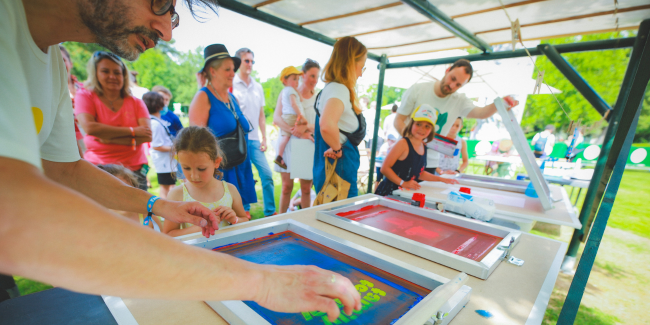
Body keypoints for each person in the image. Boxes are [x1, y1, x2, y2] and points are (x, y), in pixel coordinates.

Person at [0, 0, 360, 320]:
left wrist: (157, 204)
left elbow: (66, 170)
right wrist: (261, 282)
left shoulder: (49, 63)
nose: (167, 31)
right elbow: (15, 211)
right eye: (160, 4)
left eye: (172, 14)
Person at [394, 59, 519, 175]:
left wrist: (500, 103)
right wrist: (414, 143)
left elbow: (481, 113)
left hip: (430, 163)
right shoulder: (418, 89)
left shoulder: (459, 100)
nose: (452, 86)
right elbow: (398, 121)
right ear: (447, 70)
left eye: (458, 85)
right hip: (404, 156)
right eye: (452, 79)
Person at [189, 44, 257, 219]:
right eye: (227, 69)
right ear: (213, 71)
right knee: (222, 220)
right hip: (221, 172)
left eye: (233, 69)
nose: (232, 73)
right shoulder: (203, 97)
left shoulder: (232, 98)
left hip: (240, 166)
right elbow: (195, 144)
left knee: (242, 217)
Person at [75, 51, 152, 190]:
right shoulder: (86, 95)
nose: (112, 76)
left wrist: (107, 138)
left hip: (134, 170)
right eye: (105, 71)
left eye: (117, 72)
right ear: (95, 74)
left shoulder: (136, 102)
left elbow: (147, 135)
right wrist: (133, 131)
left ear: (124, 75)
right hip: (99, 168)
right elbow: (90, 128)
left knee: (137, 211)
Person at [164, 126, 248, 237]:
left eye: (201, 169)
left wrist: (234, 219)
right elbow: (168, 234)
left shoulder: (230, 190)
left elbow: (245, 221)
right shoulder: (177, 195)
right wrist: (199, 226)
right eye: (186, 168)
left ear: (216, 162)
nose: (194, 176)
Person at [314, 37, 368, 199]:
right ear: (351, 63)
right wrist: (337, 148)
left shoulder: (331, 89)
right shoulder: (339, 89)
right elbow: (326, 125)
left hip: (336, 171)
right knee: (340, 219)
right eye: (361, 67)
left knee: (331, 218)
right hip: (339, 171)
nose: (360, 74)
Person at [375, 105, 459, 196]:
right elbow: (384, 168)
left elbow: (419, 173)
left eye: (427, 126)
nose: (422, 129)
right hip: (389, 193)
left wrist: (442, 179)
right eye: (418, 124)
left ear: (431, 130)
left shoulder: (423, 145)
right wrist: (403, 183)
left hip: (405, 193)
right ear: (411, 124)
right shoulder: (403, 143)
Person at [232, 48, 275, 217]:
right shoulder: (232, 85)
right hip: (238, 141)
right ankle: (245, 210)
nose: (250, 64)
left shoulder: (257, 86)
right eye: (246, 61)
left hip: (255, 140)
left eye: (252, 61)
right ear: (238, 63)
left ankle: (270, 211)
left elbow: (261, 115)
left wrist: (264, 138)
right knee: (243, 177)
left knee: (267, 174)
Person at [274, 59, 320, 213]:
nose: (315, 80)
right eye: (312, 76)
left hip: (307, 145)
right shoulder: (288, 92)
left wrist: (306, 130)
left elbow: (321, 124)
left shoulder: (319, 97)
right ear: (303, 75)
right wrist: (294, 131)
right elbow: (277, 119)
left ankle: (305, 222)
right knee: (287, 187)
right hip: (288, 144)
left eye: (317, 76)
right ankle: (280, 219)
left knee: (306, 188)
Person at [97, 164, 163, 231]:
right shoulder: (99, 224)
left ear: (135, 189)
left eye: (126, 190)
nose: (121, 196)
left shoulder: (149, 219)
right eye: (113, 192)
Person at [144, 91, 177, 198]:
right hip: (163, 162)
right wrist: (174, 148)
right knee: (165, 187)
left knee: (170, 185)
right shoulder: (155, 124)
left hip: (167, 161)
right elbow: (156, 145)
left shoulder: (157, 121)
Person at [275, 66, 305, 169]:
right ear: (285, 80)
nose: (297, 82)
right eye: (294, 79)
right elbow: (294, 104)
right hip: (292, 117)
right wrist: (301, 116)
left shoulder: (287, 91)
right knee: (303, 127)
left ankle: (279, 156)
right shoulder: (290, 90)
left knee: (285, 137)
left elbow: (300, 99)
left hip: (287, 117)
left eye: (298, 79)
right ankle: (309, 137)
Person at [59, 44, 86, 158]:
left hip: (90, 140)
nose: (59, 64)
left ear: (71, 63)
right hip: (66, 143)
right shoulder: (49, 91)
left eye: (63, 60)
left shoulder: (86, 90)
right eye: (55, 60)